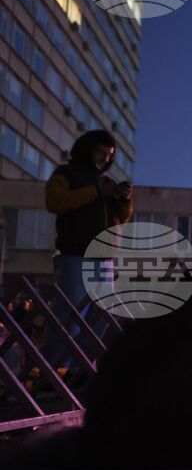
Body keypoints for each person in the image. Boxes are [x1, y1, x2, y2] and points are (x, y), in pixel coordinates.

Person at [43, 130, 132, 370]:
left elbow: (120, 219)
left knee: (99, 319)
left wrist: (122, 200)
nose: (104, 158)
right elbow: (54, 201)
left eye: (108, 155)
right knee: (69, 316)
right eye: (100, 152)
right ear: (86, 149)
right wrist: (95, 193)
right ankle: (55, 372)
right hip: (75, 255)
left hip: (103, 260)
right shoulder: (67, 174)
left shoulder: (105, 181)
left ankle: (82, 370)